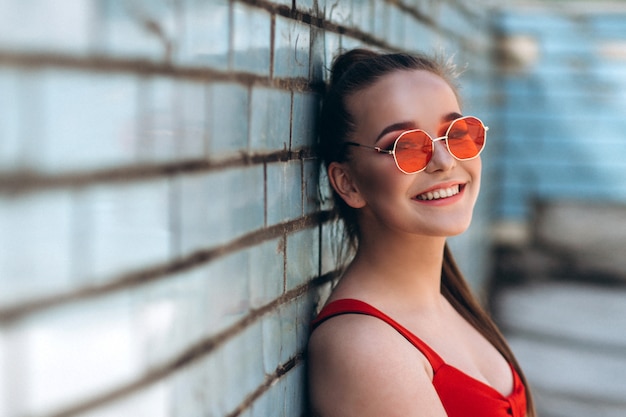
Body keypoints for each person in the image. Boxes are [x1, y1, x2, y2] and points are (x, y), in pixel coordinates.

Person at [307, 48, 535, 417]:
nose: (445, 162)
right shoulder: (366, 346)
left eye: (457, 134)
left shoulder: (448, 301)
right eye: (406, 145)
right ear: (347, 183)